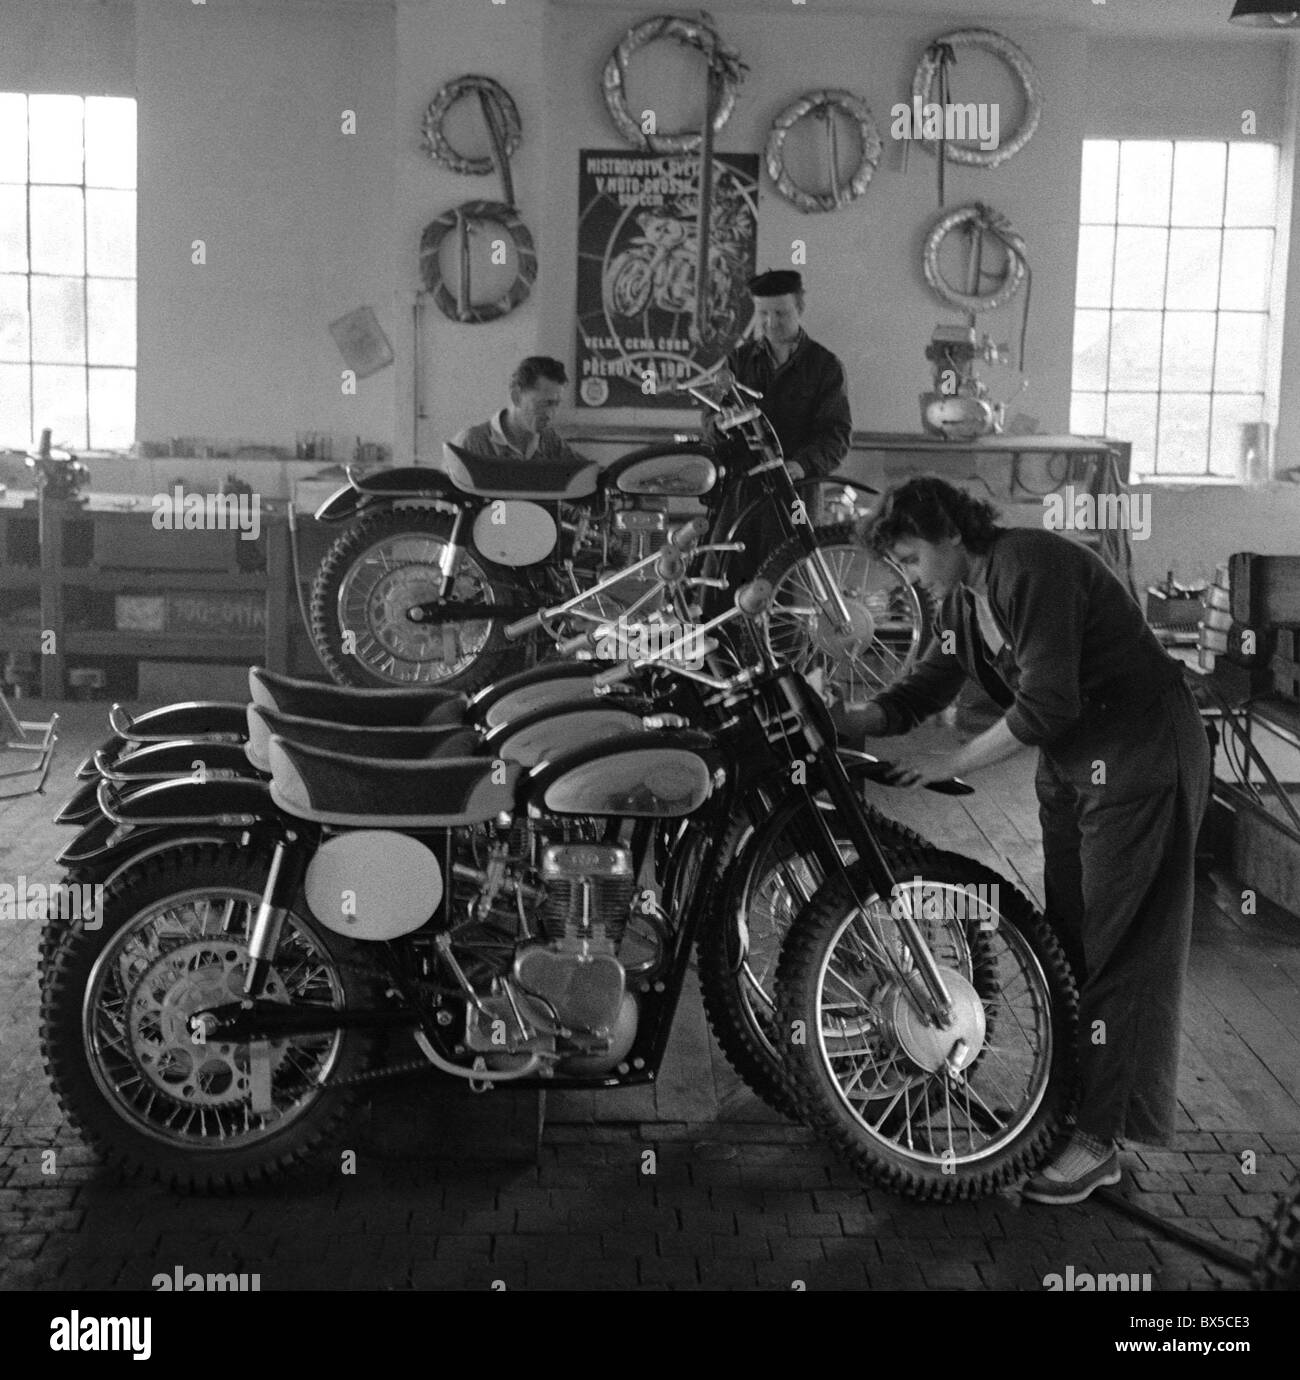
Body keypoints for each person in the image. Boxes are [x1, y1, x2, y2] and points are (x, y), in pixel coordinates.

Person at [852, 476, 1210, 1205]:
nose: (912, 574)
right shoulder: (963, 600)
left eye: (914, 555)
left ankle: (1098, 1140)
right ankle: (1076, 1112)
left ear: (950, 533)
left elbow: (1048, 702)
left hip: (1141, 752)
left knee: (1122, 950)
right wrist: (835, 717)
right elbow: (924, 691)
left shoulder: (1028, 565)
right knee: (1072, 947)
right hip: (1077, 768)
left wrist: (951, 761)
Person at [705, 269, 853, 579]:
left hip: (795, 493)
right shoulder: (737, 362)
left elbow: (836, 435)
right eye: (763, 314)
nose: (771, 323)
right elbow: (711, 416)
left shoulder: (824, 367)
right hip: (741, 492)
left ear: (800, 309)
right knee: (724, 582)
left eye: (781, 314)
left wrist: (801, 465)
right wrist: (718, 424)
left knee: (788, 587)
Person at [448, 356, 587, 464]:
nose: (551, 414)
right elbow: (449, 499)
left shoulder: (550, 442)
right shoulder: (471, 443)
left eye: (556, 404)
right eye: (545, 403)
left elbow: (588, 473)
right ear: (516, 397)